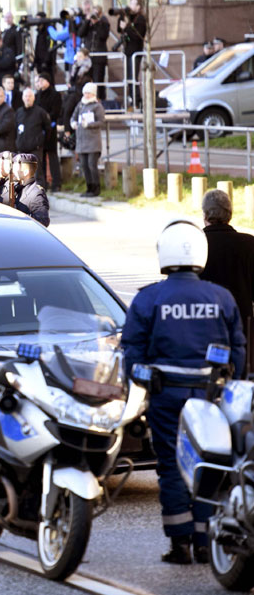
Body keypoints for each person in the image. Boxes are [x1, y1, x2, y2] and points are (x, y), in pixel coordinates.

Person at [121, 220, 246, 565]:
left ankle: (180, 544)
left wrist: (139, 383)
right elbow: (238, 350)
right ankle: (206, 540)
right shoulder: (221, 296)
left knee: (172, 466)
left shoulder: (150, 297)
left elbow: (132, 351)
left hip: (166, 398)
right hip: (210, 396)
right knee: (210, 463)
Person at [199, 189, 254, 376]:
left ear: (205, 215)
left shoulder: (196, 243)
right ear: (230, 214)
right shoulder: (249, 245)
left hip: (202, 332)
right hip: (243, 333)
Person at [70, 82, 105, 197]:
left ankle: (96, 188)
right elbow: (73, 116)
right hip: (81, 141)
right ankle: (89, 187)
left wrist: (89, 125)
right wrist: (73, 123)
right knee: (84, 165)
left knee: (91, 164)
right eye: (85, 92)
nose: (86, 95)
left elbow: (101, 122)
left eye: (89, 93)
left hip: (93, 142)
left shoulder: (97, 106)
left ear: (93, 93)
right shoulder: (80, 104)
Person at [34, 73, 62, 191]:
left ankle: (56, 183)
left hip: (50, 128)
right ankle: (43, 182)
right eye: (38, 81)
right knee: (41, 157)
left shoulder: (55, 95)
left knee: (52, 156)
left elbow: (56, 112)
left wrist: (45, 120)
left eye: (41, 80)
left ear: (47, 81)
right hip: (40, 130)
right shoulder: (38, 95)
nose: (39, 83)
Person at [15, 89, 50, 176]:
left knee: (37, 174)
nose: (28, 98)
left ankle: (40, 189)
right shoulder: (18, 112)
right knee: (22, 174)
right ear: (23, 98)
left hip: (35, 148)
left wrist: (41, 141)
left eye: (30, 96)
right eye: (26, 96)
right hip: (21, 148)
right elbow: (15, 128)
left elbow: (48, 128)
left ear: (33, 98)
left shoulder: (40, 112)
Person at [77, 5, 110, 100]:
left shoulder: (104, 23)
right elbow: (80, 33)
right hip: (88, 58)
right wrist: (88, 21)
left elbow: (103, 36)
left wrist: (97, 23)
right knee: (86, 81)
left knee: (98, 81)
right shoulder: (87, 23)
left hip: (99, 58)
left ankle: (99, 100)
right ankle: (86, 99)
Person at [119, 0, 147, 107]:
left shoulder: (140, 19)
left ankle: (137, 101)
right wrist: (122, 16)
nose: (130, 5)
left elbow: (137, 36)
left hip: (135, 51)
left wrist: (126, 27)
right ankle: (132, 99)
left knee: (133, 77)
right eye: (130, 3)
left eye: (133, 3)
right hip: (127, 51)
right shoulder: (130, 18)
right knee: (128, 78)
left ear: (138, 6)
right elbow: (119, 29)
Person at [11, 153, 50, 226]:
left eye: (15, 169)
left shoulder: (36, 194)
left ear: (25, 172)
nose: (13, 172)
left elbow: (43, 220)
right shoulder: (18, 188)